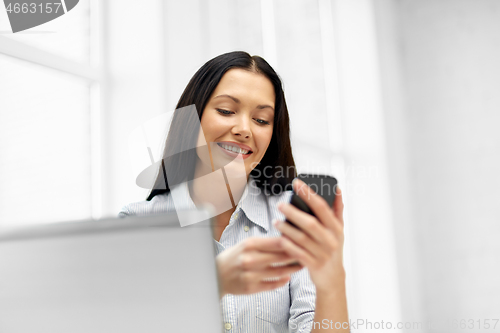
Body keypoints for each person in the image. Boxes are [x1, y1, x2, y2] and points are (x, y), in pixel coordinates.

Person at [119, 51, 349, 332]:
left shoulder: (291, 221)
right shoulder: (136, 226)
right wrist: (214, 283)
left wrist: (333, 280)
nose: (244, 129)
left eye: (261, 120)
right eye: (226, 111)